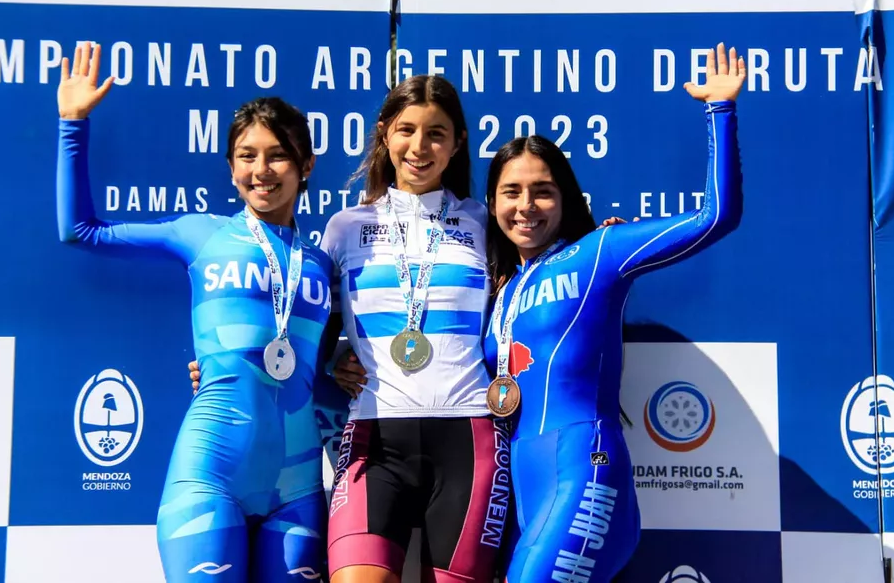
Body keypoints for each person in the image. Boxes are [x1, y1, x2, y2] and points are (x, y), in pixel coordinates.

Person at [56, 42, 341, 582]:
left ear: (305, 165)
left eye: (277, 154)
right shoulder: (200, 233)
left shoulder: (322, 262)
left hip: (299, 484)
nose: (262, 170)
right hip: (211, 472)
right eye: (247, 156)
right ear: (230, 167)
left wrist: (338, 368)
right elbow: (80, 231)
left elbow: (324, 366)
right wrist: (73, 123)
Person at [483, 42, 745, 583]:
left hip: (584, 468)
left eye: (543, 192)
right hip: (521, 488)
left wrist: (720, 110)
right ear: (491, 204)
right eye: (511, 192)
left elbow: (715, 216)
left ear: (568, 199)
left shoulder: (601, 253)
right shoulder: (501, 291)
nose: (526, 206)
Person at [319, 74, 509, 583]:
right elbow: (299, 322)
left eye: (436, 133)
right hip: (374, 438)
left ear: (458, 142)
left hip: (470, 438)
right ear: (384, 133)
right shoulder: (345, 226)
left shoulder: (486, 223)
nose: (419, 147)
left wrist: (600, 237)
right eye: (406, 130)